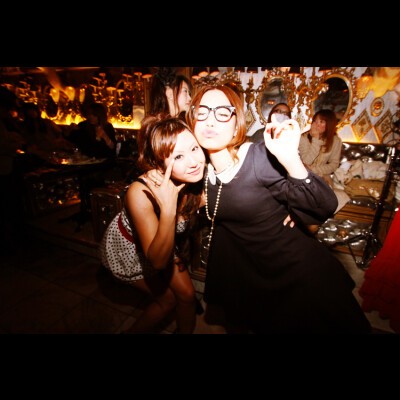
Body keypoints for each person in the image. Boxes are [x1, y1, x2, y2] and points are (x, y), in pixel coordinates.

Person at [185, 84, 371, 334]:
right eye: (202, 112)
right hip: (255, 275)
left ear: (237, 124)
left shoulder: (257, 156)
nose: (210, 120)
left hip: (295, 272)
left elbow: (324, 205)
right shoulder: (197, 168)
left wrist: (292, 162)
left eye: (222, 112)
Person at [100, 114, 206, 333]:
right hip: (131, 250)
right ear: (159, 163)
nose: (194, 162)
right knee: (167, 300)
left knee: (187, 295)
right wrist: (168, 208)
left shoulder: (197, 180)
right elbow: (157, 261)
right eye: (178, 156)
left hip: (165, 244)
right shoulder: (140, 193)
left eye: (195, 148)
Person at [298, 109, 350, 218]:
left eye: (321, 122)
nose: (316, 125)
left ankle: (315, 220)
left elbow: (334, 164)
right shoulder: (303, 138)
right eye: (315, 121)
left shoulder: (336, 141)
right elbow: (306, 161)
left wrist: (315, 169)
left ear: (329, 124)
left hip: (323, 177)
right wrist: (316, 140)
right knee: (310, 199)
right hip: (304, 177)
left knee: (333, 198)